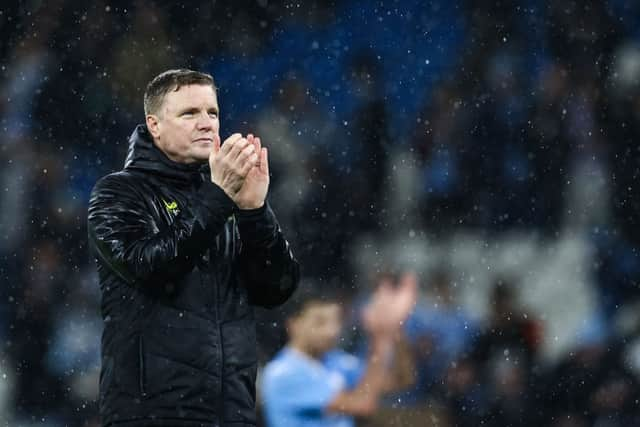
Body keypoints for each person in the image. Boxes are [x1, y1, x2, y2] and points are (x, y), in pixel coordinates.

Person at [87, 69, 300, 426]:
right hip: (152, 413)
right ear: (154, 125)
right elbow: (151, 269)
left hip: (232, 410)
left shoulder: (227, 195)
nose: (207, 123)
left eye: (212, 113)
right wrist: (218, 198)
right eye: (190, 113)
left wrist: (254, 212)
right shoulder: (118, 193)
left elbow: (276, 289)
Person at [261, 273, 417, 427]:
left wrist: (395, 328)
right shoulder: (283, 373)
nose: (331, 331)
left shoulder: (336, 361)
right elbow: (363, 405)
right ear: (294, 325)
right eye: (320, 322)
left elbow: (400, 380)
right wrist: (380, 337)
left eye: (336, 321)